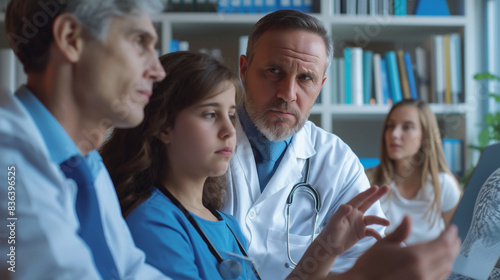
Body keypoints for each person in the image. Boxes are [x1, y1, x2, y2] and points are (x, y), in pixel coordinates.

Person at [100, 51, 391, 280]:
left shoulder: (225, 224)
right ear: (163, 126)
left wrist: (327, 247)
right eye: (210, 115)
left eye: (230, 114)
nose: (229, 131)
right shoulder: (152, 222)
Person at [224, 9, 461, 279]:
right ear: (244, 70)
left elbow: (367, 260)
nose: (287, 94)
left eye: (305, 78)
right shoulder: (201, 146)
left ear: (321, 85)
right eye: (274, 71)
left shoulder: (337, 162)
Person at [0, 0, 170, 279]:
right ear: (71, 39)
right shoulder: (8, 159)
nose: (158, 70)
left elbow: (127, 269)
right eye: (140, 41)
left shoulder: (86, 164)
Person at [366, 99, 462, 244]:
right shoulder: (367, 180)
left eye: (407, 127)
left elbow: (460, 246)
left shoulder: (444, 185)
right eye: (390, 126)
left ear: (425, 135)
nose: (394, 134)